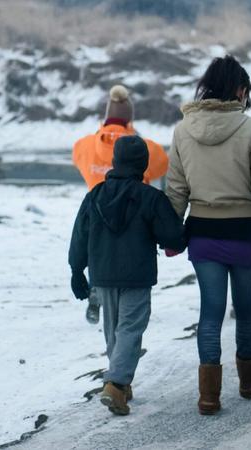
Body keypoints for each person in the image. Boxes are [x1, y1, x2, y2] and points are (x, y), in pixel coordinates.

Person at [165, 55, 251, 415]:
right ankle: (249, 381)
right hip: (244, 233)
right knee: (246, 309)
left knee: (210, 311)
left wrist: (172, 233)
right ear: (238, 89)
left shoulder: (182, 130)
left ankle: (209, 396)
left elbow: (176, 189)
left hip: (203, 234)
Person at [68, 135, 185, 416]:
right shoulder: (150, 198)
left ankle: (120, 383)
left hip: (103, 275)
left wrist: (76, 270)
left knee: (114, 331)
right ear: (143, 165)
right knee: (130, 329)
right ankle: (116, 383)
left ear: (115, 161)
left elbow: (79, 235)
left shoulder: (94, 195)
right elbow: (173, 237)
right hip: (136, 275)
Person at [72, 84, 169, 325]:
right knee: (129, 260)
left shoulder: (85, 145)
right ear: (129, 117)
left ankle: (97, 290)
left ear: (106, 115)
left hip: (98, 211)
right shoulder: (143, 148)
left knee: (99, 252)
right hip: (135, 212)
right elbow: (162, 165)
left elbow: (77, 155)